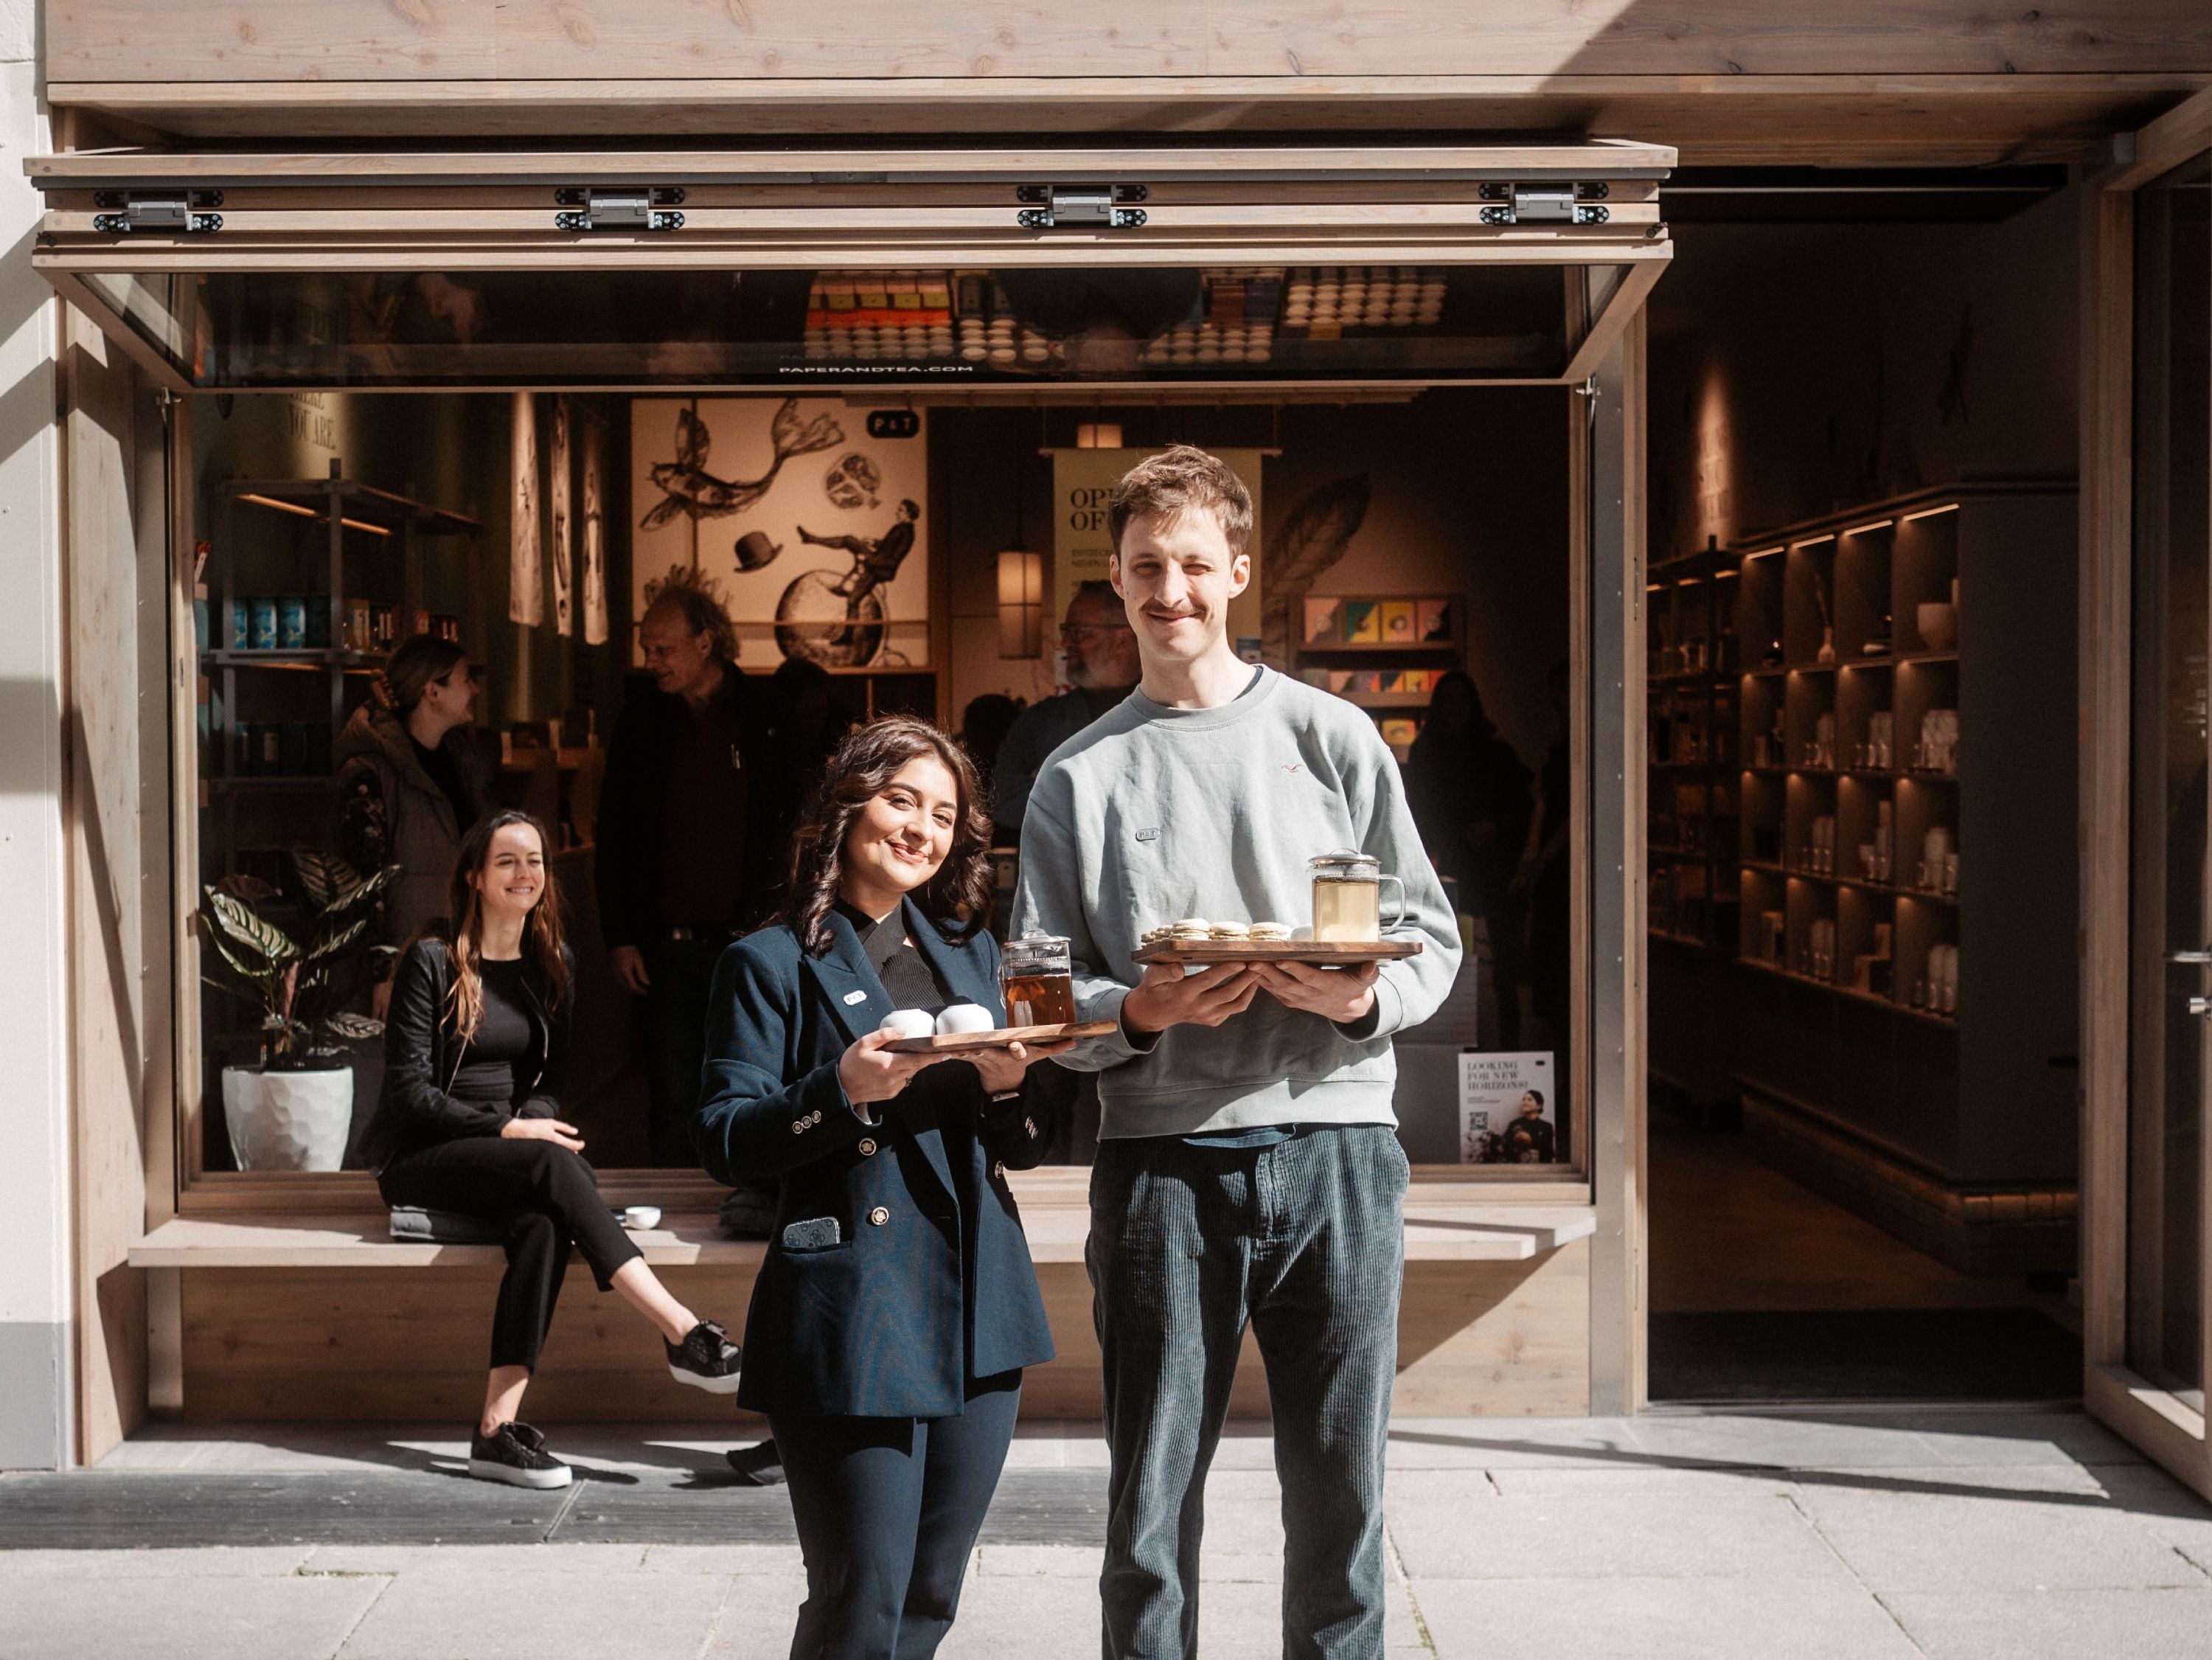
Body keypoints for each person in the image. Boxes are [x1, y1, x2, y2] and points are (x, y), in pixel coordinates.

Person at [1009, 445, 1461, 1660]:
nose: (1173, 590)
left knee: (1343, 1503)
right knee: (1149, 1512)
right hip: (1163, 1169)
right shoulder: (1077, 776)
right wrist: (1142, 1014)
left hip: (1341, 1154)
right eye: (1148, 566)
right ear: (1116, 576)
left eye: (1196, 564)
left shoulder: (1337, 740)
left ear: (1240, 573)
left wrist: (1355, 1001)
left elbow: (1431, 940)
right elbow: (1036, 996)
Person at [696, 716, 1068, 1660]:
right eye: (902, 800)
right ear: (847, 803)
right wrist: (840, 1091)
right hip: (853, 1306)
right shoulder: (769, 961)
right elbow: (726, 1139)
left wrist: (1010, 1087)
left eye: (942, 815)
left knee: (933, 1593)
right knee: (863, 1595)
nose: (921, 829)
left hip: (981, 1304)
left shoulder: (972, 954)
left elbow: (1022, 1147)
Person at [361, 810, 745, 1490]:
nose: (525, 873)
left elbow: (548, 1087)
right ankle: (681, 1328)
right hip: (423, 1156)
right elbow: (407, 1096)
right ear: (476, 876)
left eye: (534, 860)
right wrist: (511, 1131)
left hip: (511, 1159)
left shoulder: (553, 964)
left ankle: (494, 1430)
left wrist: (533, 1123)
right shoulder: (433, 959)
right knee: (551, 1164)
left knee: (544, 1222)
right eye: (507, 861)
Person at [596, 577, 795, 1167]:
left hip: (753, 942)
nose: (651, 661)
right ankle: (670, 1224)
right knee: (671, 1092)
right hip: (667, 948)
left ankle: (748, 1201)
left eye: (663, 648)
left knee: (758, 1081)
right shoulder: (640, 724)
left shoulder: (764, 717)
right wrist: (621, 935)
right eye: (646, 647)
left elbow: (790, 829)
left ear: (706, 642)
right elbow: (614, 837)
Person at [336, 633, 494, 1009]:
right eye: (464, 679)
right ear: (432, 692)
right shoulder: (371, 772)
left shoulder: (460, 762)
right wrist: (383, 971)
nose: (473, 688)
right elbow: (363, 882)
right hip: (407, 970)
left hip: (457, 957)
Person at [1405, 670, 1533, 1046]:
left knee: (1502, 966)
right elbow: (1419, 812)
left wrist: (1495, 827)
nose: (1457, 709)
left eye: (1464, 701)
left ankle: (1507, 1046)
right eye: (1449, 701)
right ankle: (1453, 1044)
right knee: (1450, 960)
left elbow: (1522, 805)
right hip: (1450, 873)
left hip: (1495, 872)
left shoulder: (1495, 749)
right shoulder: (1426, 752)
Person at [990, 579, 1141, 844]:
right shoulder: (1041, 721)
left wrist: (1057, 801)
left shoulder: (1168, 714)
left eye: (1080, 632)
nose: (1067, 643)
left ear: (1121, 638)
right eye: (1066, 631)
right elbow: (1004, 800)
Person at [1495, 1089, 1557, 1163]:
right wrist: (1515, 1140)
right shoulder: (1514, 1124)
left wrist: (1531, 1140)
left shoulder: (1547, 1126)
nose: (1525, 1102)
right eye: (1524, 1099)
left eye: (1529, 1100)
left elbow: (1548, 1153)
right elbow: (1505, 1147)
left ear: (1539, 1106)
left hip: (1538, 1169)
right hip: (1517, 1169)